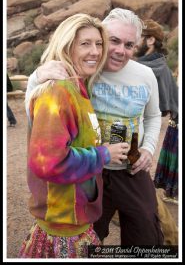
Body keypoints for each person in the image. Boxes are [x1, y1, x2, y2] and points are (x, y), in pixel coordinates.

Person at [26, 8, 164, 246]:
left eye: (129, 45)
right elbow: (41, 108)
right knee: (90, 240)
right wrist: (35, 77)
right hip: (90, 173)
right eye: (113, 41)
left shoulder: (146, 75)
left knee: (146, 237)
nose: (120, 51)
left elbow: (154, 116)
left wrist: (149, 148)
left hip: (130, 169)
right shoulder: (84, 70)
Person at [19, 13, 129, 258]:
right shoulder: (59, 91)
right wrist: (103, 154)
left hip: (75, 221)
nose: (95, 52)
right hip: (62, 228)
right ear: (67, 47)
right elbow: (49, 162)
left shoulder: (79, 87)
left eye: (99, 43)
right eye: (85, 44)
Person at [135, 19, 178, 204]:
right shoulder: (161, 67)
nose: (135, 42)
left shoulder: (151, 70)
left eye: (139, 37)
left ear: (150, 40)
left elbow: (156, 113)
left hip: (139, 139)